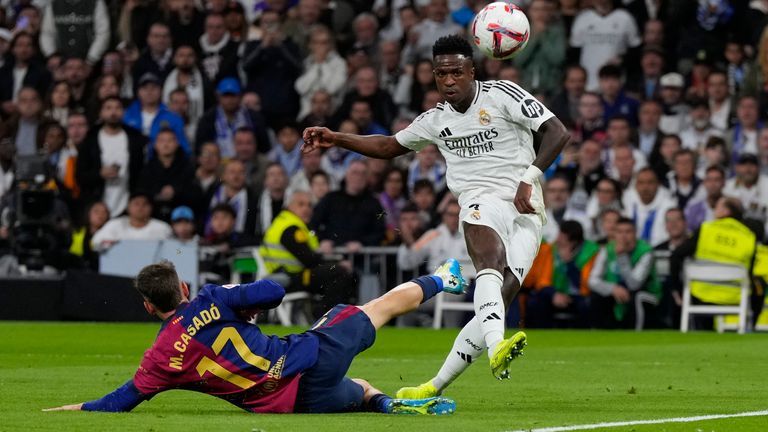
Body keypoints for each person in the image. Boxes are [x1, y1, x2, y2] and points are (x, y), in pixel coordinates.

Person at [302, 35, 571, 392]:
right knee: (489, 264)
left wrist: (529, 178)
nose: (448, 81)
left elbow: (557, 132)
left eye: (456, 72)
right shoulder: (434, 120)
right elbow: (388, 146)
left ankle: (432, 387)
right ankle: (496, 346)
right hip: (480, 201)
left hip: (525, 206)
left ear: (471, 71)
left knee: (498, 298)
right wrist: (337, 137)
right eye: (441, 74)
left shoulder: (504, 94)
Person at [43, 259, 466, 415]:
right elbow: (274, 292)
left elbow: (119, 402)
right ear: (184, 289)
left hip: (286, 403)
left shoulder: (159, 359)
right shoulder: (211, 297)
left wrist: (75, 406)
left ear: (149, 307)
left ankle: (386, 404)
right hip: (307, 359)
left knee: (357, 391)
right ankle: (444, 277)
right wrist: (241, 301)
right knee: (374, 309)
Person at [670, 197, 762, 329]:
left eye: (718, 206)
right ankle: (751, 326)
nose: (714, 210)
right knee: (759, 284)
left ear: (725, 211)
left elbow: (676, 255)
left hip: (701, 293)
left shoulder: (706, 229)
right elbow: (751, 272)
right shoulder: (749, 236)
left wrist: (677, 289)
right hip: (735, 296)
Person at [260, 190, 357, 315]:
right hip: (285, 278)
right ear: (290, 206)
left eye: (309, 205)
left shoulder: (290, 223)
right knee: (337, 273)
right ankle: (328, 320)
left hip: (289, 275)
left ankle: (332, 317)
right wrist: (338, 263)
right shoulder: (290, 227)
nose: (306, 209)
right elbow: (309, 259)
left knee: (338, 273)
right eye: (301, 204)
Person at [588, 217, 660, 329]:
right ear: (614, 234)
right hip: (618, 290)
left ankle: (637, 336)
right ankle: (597, 335)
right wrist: (612, 289)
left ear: (635, 233)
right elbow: (592, 280)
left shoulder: (646, 252)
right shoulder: (607, 250)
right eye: (619, 232)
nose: (623, 236)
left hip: (647, 293)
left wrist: (622, 257)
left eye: (628, 232)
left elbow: (634, 284)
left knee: (637, 297)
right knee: (597, 296)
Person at [90, 192, 172, 252]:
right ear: (128, 207)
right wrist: (106, 244)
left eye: (145, 204)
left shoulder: (162, 228)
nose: (140, 207)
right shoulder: (114, 224)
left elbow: (177, 251)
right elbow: (94, 244)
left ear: (151, 208)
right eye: (136, 204)